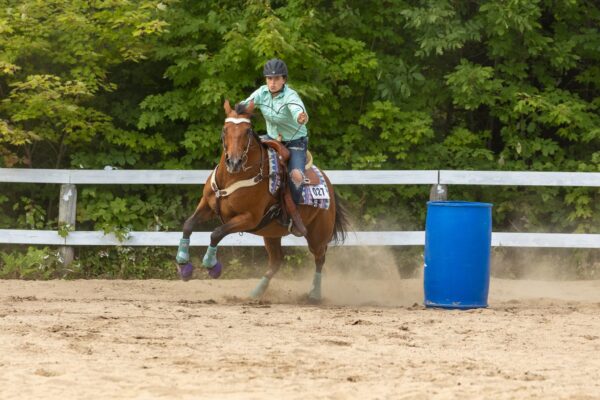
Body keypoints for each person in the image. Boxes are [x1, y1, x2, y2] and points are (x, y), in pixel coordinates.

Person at [243, 58, 309, 236]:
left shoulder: (290, 96)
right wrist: (238, 110)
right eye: (269, 78)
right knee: (247, 155)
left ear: (284, 80)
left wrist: (301, 116)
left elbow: (297, 110)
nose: (272, 82)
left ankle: (293, 216)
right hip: (272, 138)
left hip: (294, 142)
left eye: (276, 78)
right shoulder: (262, 92)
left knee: (296, 177)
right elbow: (246, 104)